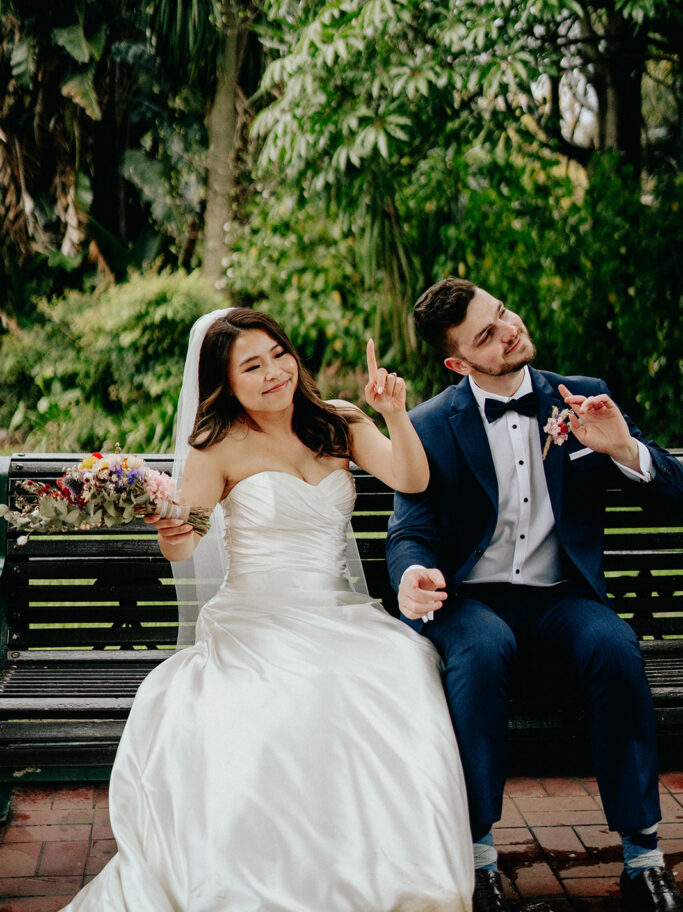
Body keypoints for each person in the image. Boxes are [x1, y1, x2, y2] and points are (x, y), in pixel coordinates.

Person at [58, 307, 473, 912]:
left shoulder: (341, 423)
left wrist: (392, 413)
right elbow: (188, 537)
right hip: (255, 619)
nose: (274, 371)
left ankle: (389, 875)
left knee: (401, 674)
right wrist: (168, 526)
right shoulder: (216, 446)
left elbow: (411, 480)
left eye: (278, 353)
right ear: (226, 384)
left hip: (338, 612)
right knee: (285, 702)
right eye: (252, 366)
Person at [386, 277, 683, 912]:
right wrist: (413, 577)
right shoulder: (430, 426)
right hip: (472, 602)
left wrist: (622, 447)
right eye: (486, 336)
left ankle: (643, 859)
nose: (508, 330)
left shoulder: (584, 398)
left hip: (560, 596)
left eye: (502, 314)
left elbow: (674, 489)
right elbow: (409, 532)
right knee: (481, 653)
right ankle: (478, 859)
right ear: (457, 362)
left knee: (616, 647)